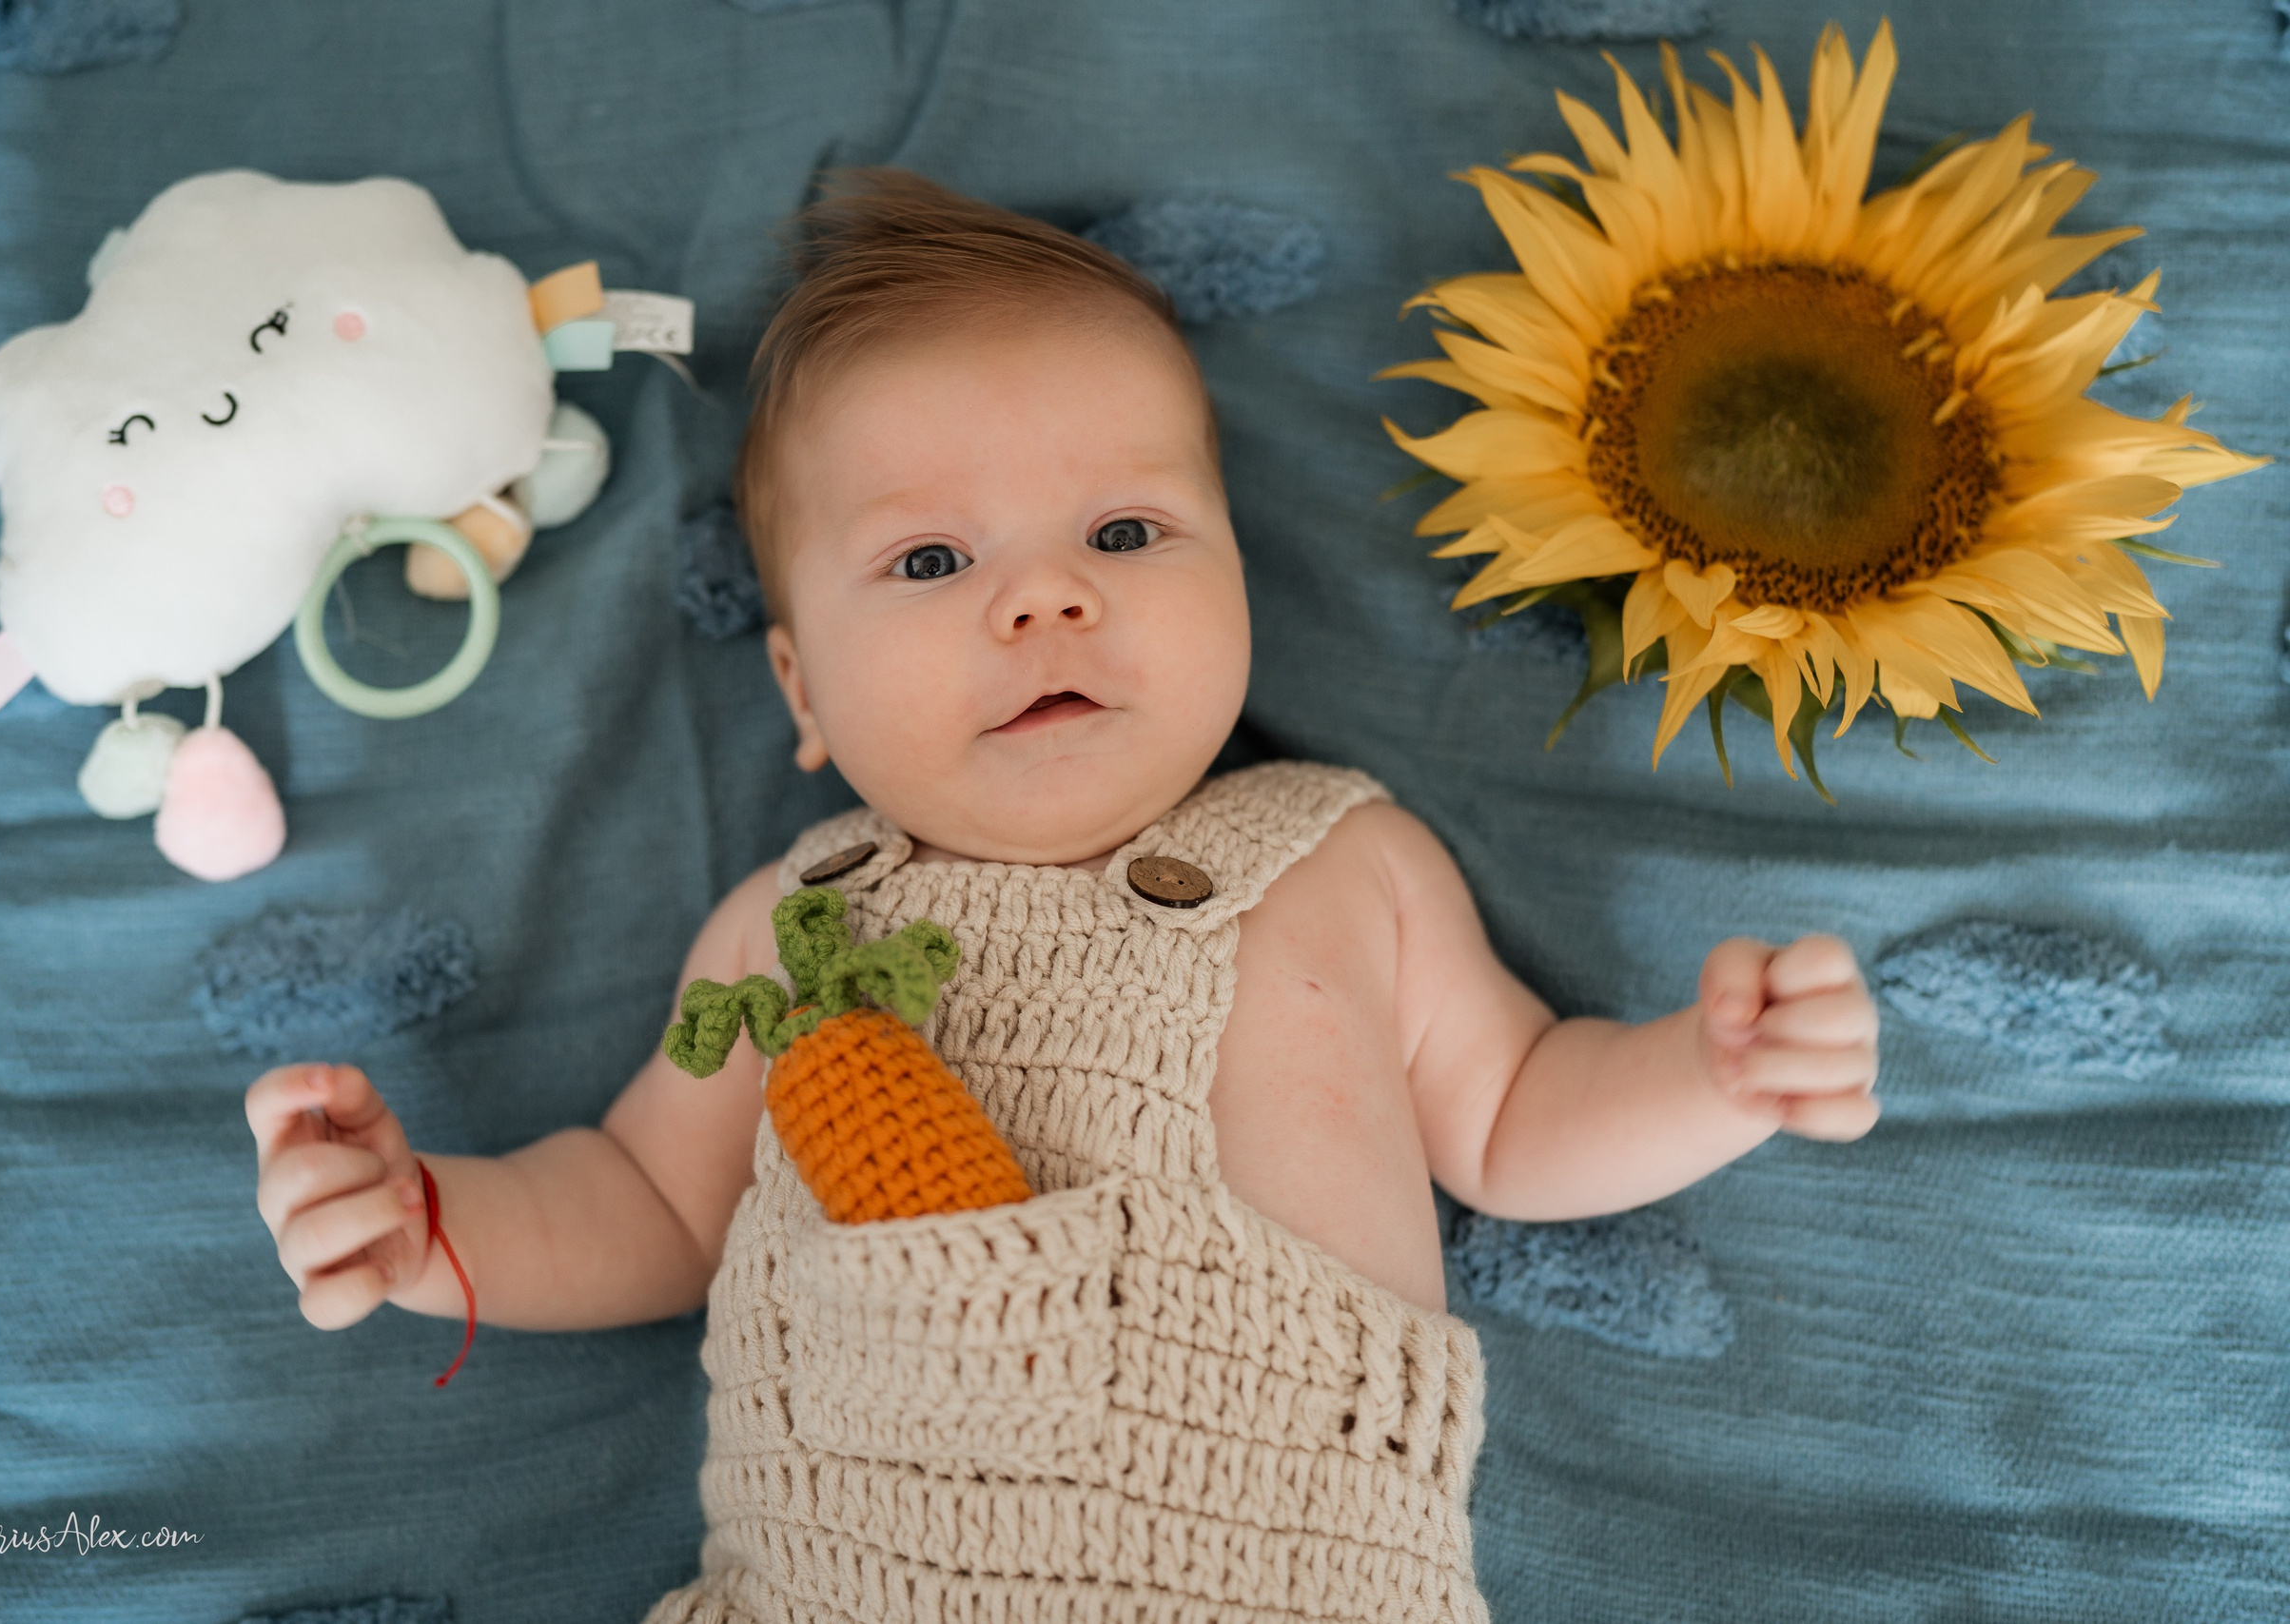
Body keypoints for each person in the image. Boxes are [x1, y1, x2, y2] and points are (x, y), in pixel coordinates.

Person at [246, 166, 1880, 1623]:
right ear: (803, 691)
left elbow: (1518, 1120)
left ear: (1239, 579)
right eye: (932, 562)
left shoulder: (1345, 860)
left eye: (1125, 529)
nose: (1046, 597)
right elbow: (647, 1204)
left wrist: (1711, 1074)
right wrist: (430, 1225)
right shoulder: (789, 931)